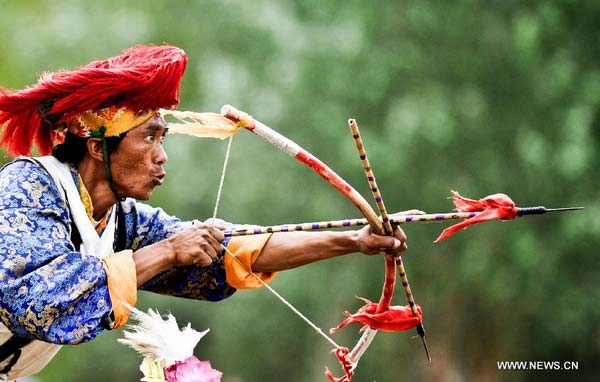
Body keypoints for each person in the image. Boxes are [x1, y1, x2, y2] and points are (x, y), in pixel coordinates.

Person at [0, 45, 408, 381]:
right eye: (149, 138)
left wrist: (355, 240)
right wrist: (166, 252)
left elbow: (233, 252)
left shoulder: (120, 219)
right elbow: (36, 300)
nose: (162, 157)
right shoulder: (27, 189)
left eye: (164, 137)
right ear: (97, 147)